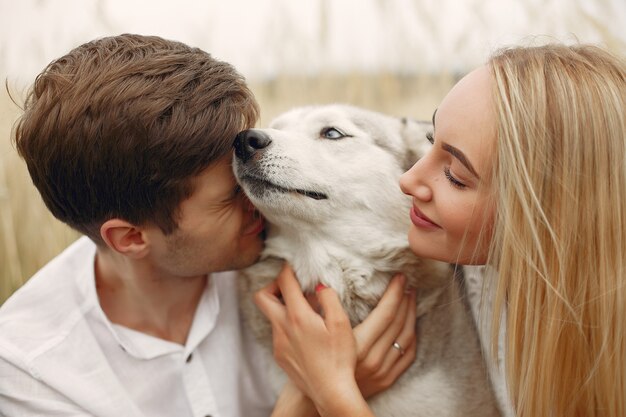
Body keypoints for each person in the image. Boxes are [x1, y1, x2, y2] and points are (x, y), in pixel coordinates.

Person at [0, 34, 415, 416]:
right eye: (234, 194)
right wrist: (317, 393)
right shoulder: (32, 371)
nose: (260, 201)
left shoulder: (292, 252)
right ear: (130, 238)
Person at [255, 43, 626, 417]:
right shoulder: (475, 284)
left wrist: (329, 393)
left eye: (456, 176)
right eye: (430, 142)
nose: (409, 178)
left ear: (544, 209)